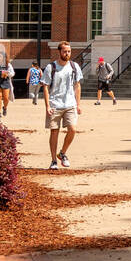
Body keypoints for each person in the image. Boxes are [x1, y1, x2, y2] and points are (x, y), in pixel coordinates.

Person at [42, 41, 82, 169]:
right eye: (65, 51)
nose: (67, 53)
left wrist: (78, 104)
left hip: (70, 103)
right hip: (55, 104)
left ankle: (62, 153)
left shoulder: (74, 66)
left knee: (73, 129)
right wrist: (47, 106)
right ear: (59, 52)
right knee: (54, 132)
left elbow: (77, 85)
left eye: (69, 51)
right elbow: (46, 87)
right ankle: (54, 160)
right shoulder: (51, 67)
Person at [0, 51, 14, 116]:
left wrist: (7, 74)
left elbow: (12, 73)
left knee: (6, 98)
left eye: (0, 56)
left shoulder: (8, 65)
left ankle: (5, 107)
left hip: (6, 82)